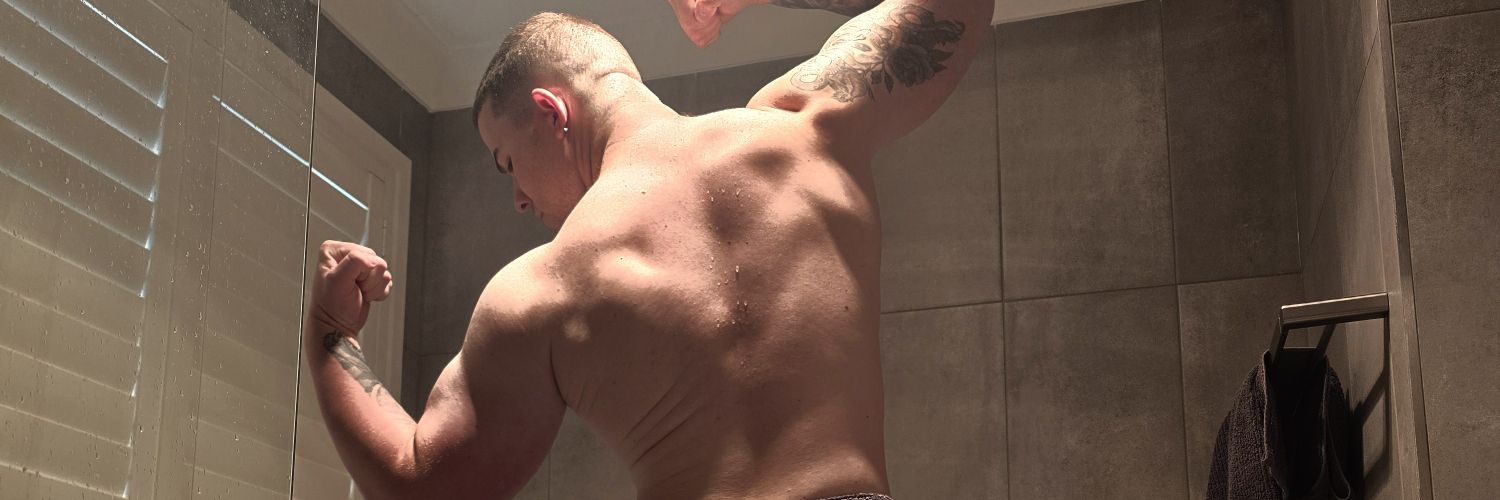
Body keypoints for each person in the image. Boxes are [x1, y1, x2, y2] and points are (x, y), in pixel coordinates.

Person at [303, 0, 993, 498]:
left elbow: (422, 483)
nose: (517, 198)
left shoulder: (543, 288)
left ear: (551, 111)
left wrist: (331, 332)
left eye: (508, 162)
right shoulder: (805, 128)